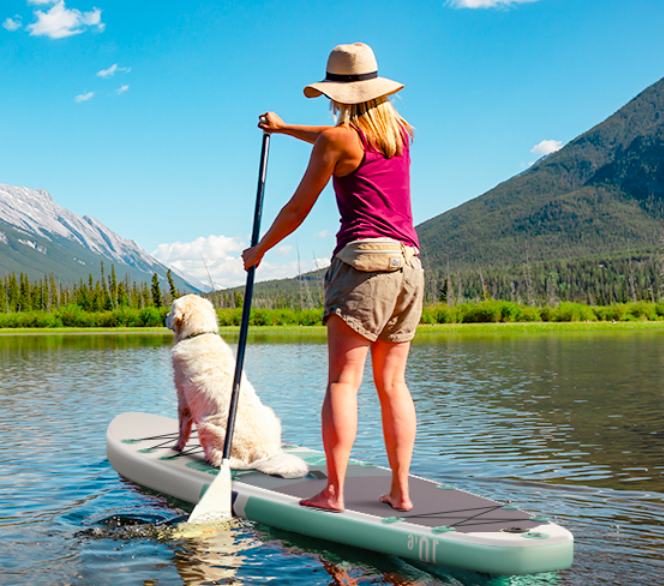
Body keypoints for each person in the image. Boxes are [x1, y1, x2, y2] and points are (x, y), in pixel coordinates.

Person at [242, 42, 424, 512]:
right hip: (409, 266)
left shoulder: (337, 140)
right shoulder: (399, 133)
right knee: (393, 385)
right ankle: (401, 493)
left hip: (363, 265)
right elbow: (334, 136)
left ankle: (334, 493)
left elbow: (299, 207)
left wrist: (260, 250)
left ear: (336, 93)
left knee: (344, 383)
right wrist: (284, 129)